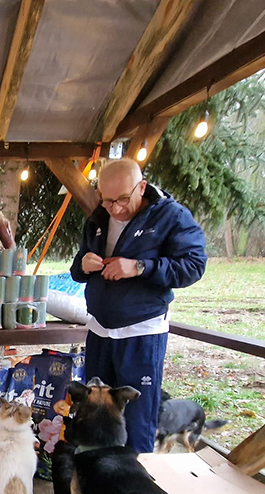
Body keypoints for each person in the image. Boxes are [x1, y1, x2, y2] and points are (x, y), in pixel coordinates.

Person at [69, 157, 206, 454]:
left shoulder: (171, 217)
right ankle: (94, 482)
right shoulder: (98, 218)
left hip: (141, 333)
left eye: (122, 199)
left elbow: (194, 266)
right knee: (94, 417)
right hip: (100, 331)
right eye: (107, 200)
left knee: (138, 418)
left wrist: (140, 267)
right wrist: (83, 264)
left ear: (142, 187)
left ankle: (136, 479)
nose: (115, 208)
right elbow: (76, 270)